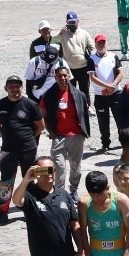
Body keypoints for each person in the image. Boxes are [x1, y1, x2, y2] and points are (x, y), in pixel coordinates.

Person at [10, 158, 84, 256]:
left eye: (51, 170)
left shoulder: (64, 195)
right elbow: (16, 200)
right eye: (44, 170)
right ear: (36, 173)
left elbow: (74, 225)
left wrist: (80, 252)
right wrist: (26, 180)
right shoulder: (30, 195)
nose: (49, 174)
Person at [0, 76, 44, 224]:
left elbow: (40, 126)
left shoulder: (31, 104)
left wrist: (28, 138)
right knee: (6, 181)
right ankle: (3, 212)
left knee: (31, 179)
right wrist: (8, 135)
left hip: (28, 148)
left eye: (18, 86)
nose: (15, 89)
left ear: (21, 88)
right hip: (8, 149)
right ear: (6, 88)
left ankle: (30, 209)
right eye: (11, 86)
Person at [40, 63, 92, 199]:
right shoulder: (49, 95)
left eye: (65, 75)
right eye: (59, 76)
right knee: (59, 167)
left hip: (76, 136)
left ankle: (73, 190)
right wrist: (50, 132)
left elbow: (84, 114)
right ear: (55, 78)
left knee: (75, 166)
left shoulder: (79, 94)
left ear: (69, 76)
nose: (62, 78)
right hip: (59, 137)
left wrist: (84, 132)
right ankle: (59, 192)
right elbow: (43, 115)